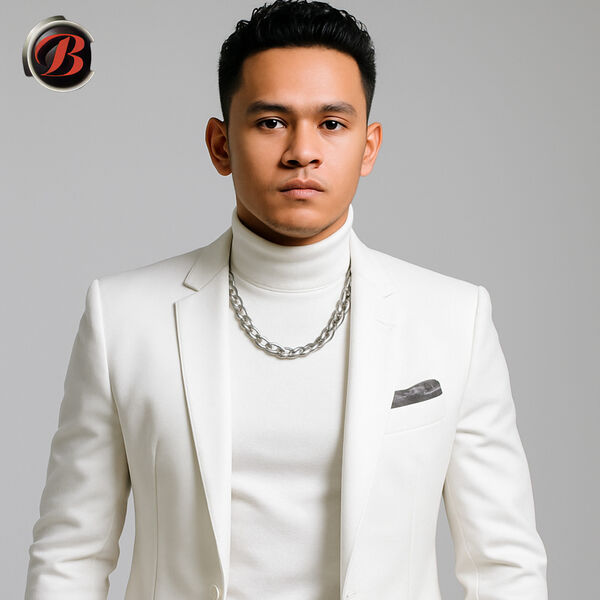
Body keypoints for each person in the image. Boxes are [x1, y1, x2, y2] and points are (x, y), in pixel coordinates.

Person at [24, 1, 548, 599]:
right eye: (271, 122)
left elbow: (503, 564)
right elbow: (71, 555)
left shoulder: (454, 319)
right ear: (220, 144)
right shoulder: (123, 319)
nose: (303, 151)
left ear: (369, 146)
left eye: (332, 124)